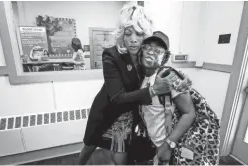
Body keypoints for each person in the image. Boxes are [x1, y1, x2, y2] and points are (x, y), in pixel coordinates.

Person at [77, 4, 180, 165]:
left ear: (145, 36)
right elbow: (117, 97)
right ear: (121, 35)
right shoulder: (111, 55)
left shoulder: (145, 55)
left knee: (120, 156)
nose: (133, 39)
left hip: (127, 114)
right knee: (89, 147)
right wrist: (153, 90)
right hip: (107, 110)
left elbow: (159, 68)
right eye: (128, 33)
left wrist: (178, 77)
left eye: (139, 34)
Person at [132, 31, 220, 165]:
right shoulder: (143, 77)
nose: (151, 52)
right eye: (148, 47)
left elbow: (189, 113)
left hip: (172, 146)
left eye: (158, 50)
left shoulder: (169, 76)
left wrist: (168, 145)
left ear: (165, 56)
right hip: (156, 142)